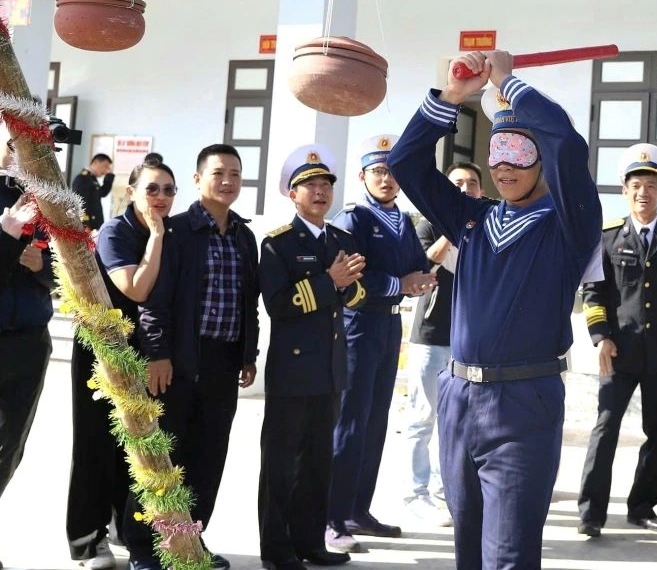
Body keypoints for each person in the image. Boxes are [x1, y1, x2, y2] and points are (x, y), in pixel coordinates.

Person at [389, 51, 601, 570]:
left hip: (523, 402)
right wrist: (454, 97)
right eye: (497, 151)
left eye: (519, 152)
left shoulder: (569, 223)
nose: (504, 165)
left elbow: (568, 145)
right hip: (459, 398)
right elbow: (405, 163)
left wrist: (510, 84)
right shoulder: (471, 217)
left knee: (507, 555)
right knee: (467, 551)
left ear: (540, 163)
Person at [130, 144, 260, 570]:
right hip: (180, 360)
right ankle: (146, 549)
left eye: (235, 175)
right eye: (219, 173)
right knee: (164, 456)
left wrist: (248, 353)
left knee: (208, 458)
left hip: (224, 363)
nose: (227, 182)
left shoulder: (244, 235)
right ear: (198, 179)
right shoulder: (178, 230)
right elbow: (155, 301)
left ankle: (188, 544)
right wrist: (157, 354)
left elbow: (249, 301)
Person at [576, 143, 657, 538]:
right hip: (621, 350)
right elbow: (594, 292)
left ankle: (643, 507)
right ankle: (591, 513)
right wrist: (600, 338)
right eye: (636, 185)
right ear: (624, 191)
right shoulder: (609, 236)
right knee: (605, 429)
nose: (643, 192)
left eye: (650, 185)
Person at [258, 144, 367, 570]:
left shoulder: (342, 238)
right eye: (310, 185)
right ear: (293, 194)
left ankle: (310, 543)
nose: (320, 192)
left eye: (325, 185)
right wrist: (329, 281)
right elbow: (279, 304)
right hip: (292, 370)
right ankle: (277, 549)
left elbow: (358, 293)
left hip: (330, 369)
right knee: (282, 465)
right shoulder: (279, 244)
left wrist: (342, 283)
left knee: (319, 464)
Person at [325, 135, 434, 552]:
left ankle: (358, 509)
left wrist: (421, 277)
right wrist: (400, 284)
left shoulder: (404, 220)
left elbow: (415, 266)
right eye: (377, 172)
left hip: (389, 328)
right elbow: (352, 276)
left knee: (376, 422)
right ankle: (331, 518)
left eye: (391, 172)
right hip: (359, 325)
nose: (385, 179)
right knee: (350, 422)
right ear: (363, 177)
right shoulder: (354, 220)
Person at [67, 160, 177, 570]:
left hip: (144, 349)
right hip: (104, 349)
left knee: (129, 448)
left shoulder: (165, 229)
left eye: (168, 190)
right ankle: (86, 538)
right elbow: (136, 287)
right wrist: (158, 238)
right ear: (130, 192)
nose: (161, 197)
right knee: (95, 445)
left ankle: (122, 529)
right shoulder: (119, 231)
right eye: (152, 189)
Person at [404, 161, 487, 528]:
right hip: (432, 335)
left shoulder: (488, 225)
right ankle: (416, 492)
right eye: (457, 183)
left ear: (481, 191)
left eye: (472, 183)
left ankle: (444, 491)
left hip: (470, 340)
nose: (465, 188)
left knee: (459, 422)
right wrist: (455, 227)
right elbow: (422, 264)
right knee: (424, 417)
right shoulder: (427, 223)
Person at [0, 121, 53, 570]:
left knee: (10, 447)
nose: (24, 154)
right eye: (16, 144)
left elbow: (70, 270)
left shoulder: (50, 203)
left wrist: (39, 267)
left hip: (30, 342)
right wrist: (6, 241)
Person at [71, 153, 115, 232]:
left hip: (94, 224)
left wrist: (109, 176)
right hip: (88, 226)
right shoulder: (83, 178)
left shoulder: (92, 178)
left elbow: (102, 193)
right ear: (95, 162)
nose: (106, 171)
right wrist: (85, 224)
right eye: (105, 166)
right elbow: (80, 204)